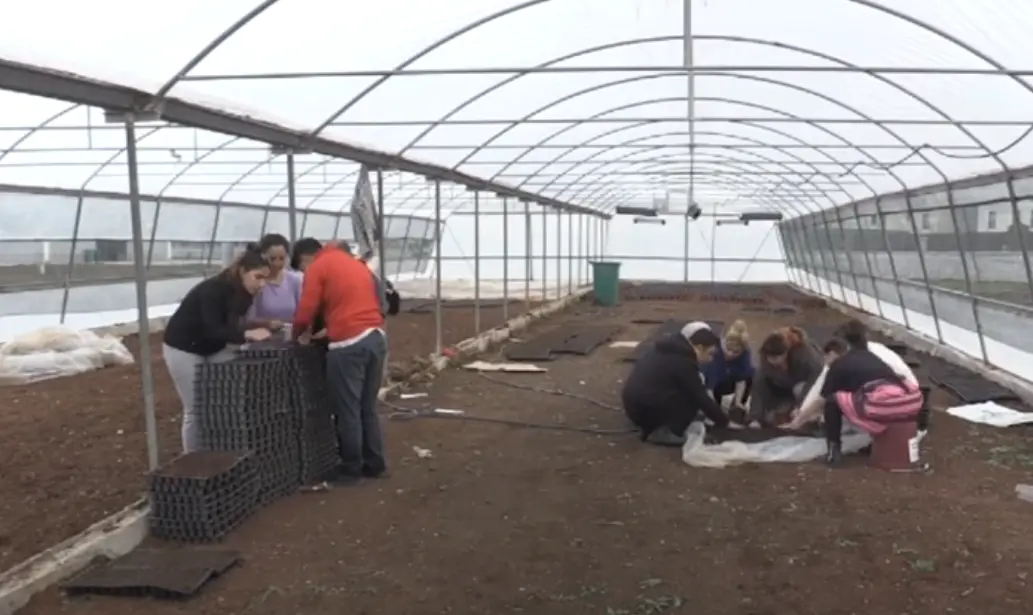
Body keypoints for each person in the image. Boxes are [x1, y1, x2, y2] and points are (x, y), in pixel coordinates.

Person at [292, 240, 389, 486]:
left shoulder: (319, 267)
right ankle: (375, 464)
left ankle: (350, 469)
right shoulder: (355, 263)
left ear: (305, 258)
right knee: (367, 407)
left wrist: (297, 335)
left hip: (349, 345)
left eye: (301, 268)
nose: (304, 273)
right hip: (375, 336)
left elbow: (306, 309)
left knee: (348, 410)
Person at [162, 245, 273, 453]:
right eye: (258, 277)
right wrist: (246, 334)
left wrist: (253, 329)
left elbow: (229, 326)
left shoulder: (245, 294)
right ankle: (193, 459)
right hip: (184, 347)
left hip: (213, 346)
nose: (262, 284)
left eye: (265, 279)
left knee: (227, 396)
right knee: (196, 408)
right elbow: (214, 329)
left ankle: (224, 450)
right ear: (242, 272)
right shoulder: (213, 290)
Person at [784, 321, 920, 466]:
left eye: (827, 356)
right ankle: (873, 443)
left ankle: (833, 450)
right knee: (859, 399)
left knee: (833, 401)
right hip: (911, 404)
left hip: (884, 405)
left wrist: (798, 422)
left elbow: (821, 400)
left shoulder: (839, 365)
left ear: (835, 351)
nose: (826, 361)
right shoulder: (871, 356)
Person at [621, 322, 738, 447]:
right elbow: (700, 396)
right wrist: (724, 422)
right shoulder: (683, 362)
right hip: (647, 412)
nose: (710, 359)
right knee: (691, 398)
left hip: (634, 406)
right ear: (699, 347)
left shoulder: (665, 349)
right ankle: (664, 431)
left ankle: (655, 424)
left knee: (686, 392)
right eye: (709, 354)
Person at [748, 326, 823, 428]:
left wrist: (800, 406)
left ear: (785, 354)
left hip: (803, 385)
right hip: (782, 387)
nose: (771, 361)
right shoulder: (765, 361)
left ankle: (807, 416)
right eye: (769, 358)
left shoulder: (803, 354)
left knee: (799, 389)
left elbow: (816, 377)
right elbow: (758, 386)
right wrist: (754, 418)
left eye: (775, 358)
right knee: (771, 417)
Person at [245, 233, 303, 336]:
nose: (277, 263)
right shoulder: (256, 281)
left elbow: (301, 311)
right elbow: (248, 318)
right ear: (263, 256)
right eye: (272, 258)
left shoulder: (294, 280)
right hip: (262, 337)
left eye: (282, 259)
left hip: (290, 337)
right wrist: (267, 323)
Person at [701, 319, 754, 414]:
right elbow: (708, 384)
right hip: (711, 384)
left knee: (751, 374)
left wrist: (738, 401)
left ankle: (736, 409)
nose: (730, 354)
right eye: (728, 349)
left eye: (736, 352)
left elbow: (741, 379)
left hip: (727, 381)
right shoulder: (714, 351)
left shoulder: (745, 354)